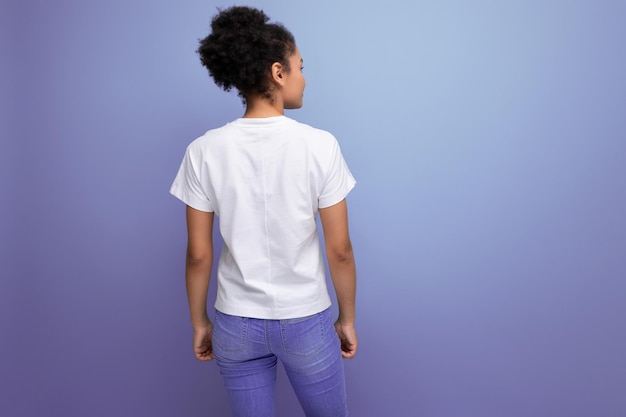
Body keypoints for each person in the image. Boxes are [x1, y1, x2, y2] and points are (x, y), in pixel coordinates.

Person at [170, 6, 357, 417]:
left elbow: (198, 253)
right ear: (278, 72)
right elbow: (339, 249)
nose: (304, 78)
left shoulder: (203, 150)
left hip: (235, 323)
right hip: (306, 319)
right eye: (300, 67)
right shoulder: (320, 145)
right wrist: (346, 319)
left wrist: (200, 323)